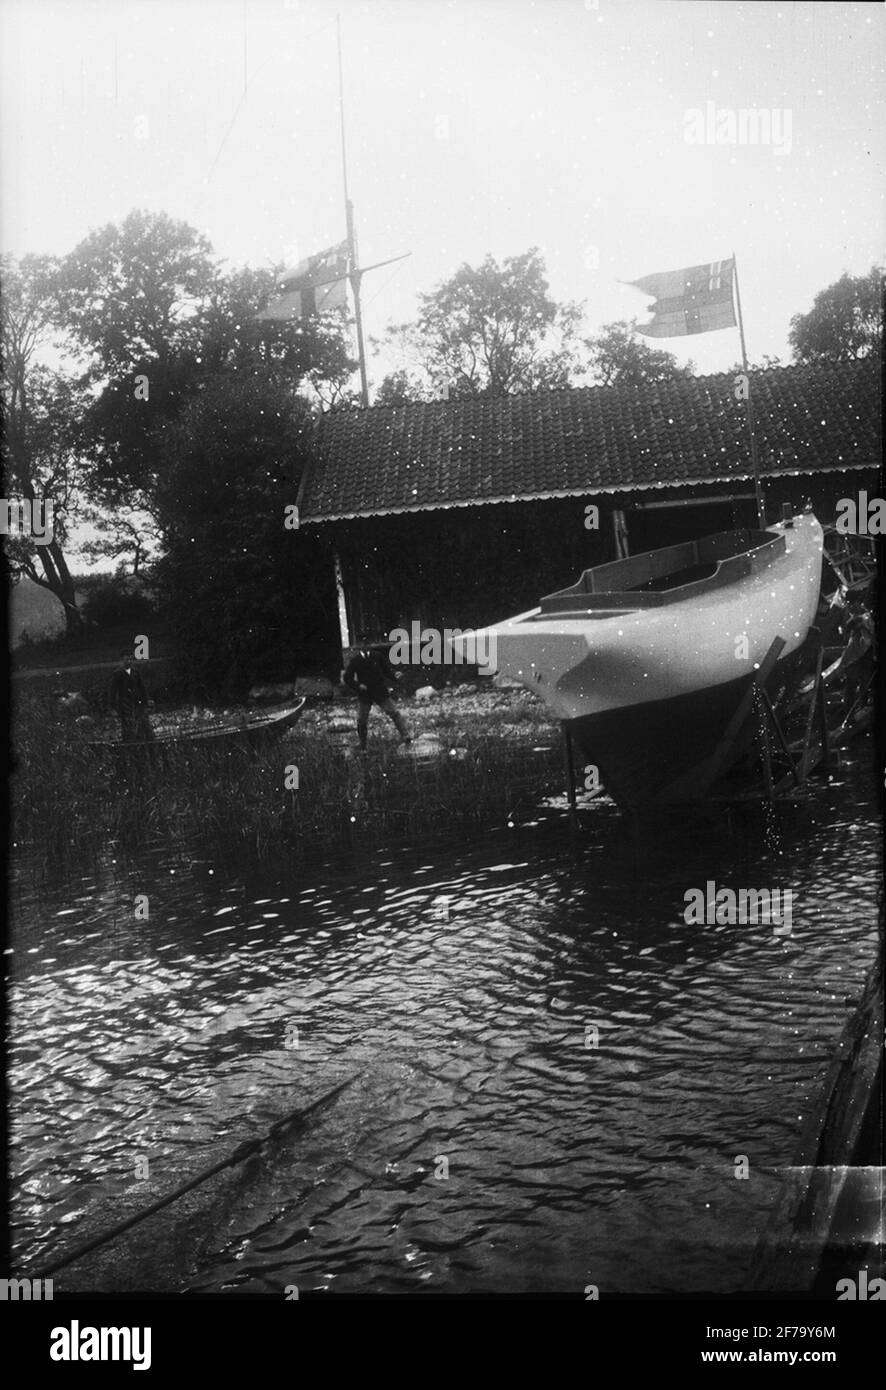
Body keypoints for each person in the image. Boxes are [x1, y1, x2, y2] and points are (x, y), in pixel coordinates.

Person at [342, 645, 412, 750]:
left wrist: (394, 676)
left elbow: (386, 670)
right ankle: (363, 744)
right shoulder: (355, 660)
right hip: (365, 694)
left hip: (380, 691)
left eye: (367, 646)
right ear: (359, 648)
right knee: (361, 720)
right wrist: (358, 686)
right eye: (362, 645)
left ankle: (406, 736)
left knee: (394, 713)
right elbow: (347, 678)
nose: (365, 648)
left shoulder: (377, 656)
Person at [109, 650, 154, 743]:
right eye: (126, 659)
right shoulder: (118, 673)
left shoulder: (135, 672)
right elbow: (113, 691)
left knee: (140, 720)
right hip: (124, 703)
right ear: (122, 660)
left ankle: (142, 739)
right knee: (127, 724)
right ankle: (129, 742)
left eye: (130, 659)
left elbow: (142, 687)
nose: (128, 661)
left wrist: (147, 699)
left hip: (136, 701)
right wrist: (112, 707)